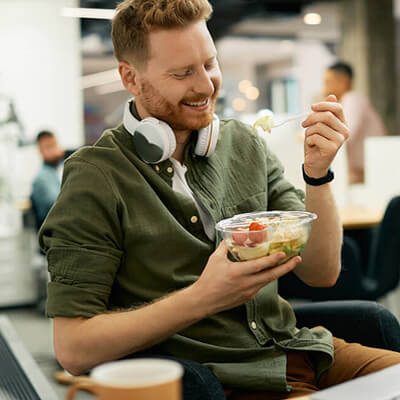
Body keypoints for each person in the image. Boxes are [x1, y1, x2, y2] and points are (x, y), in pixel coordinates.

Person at [39, 1, 400, 399]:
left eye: (209, 64)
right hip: (227, 381)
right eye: (182, 73)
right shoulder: (96, 176)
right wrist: (203, 297)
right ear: (130, 77)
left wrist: (317, 173)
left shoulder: (243, 143)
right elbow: (72, 348)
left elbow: (322, 273)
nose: (206, 85)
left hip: (304, 350)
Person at [323, 61, 386, 184]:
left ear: (343, 82)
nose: (324, 87)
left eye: (327, 82)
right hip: (363, 169)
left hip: (367, 171)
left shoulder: (352, 99)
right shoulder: (346, 101)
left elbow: (345, 132)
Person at [30, 131, 65, 229]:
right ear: (40, 151)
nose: (53, 150)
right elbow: (57, 208)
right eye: (48, 147)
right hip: (56, 236)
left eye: (54, 145)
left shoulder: (64, 168)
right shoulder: (40, 179)